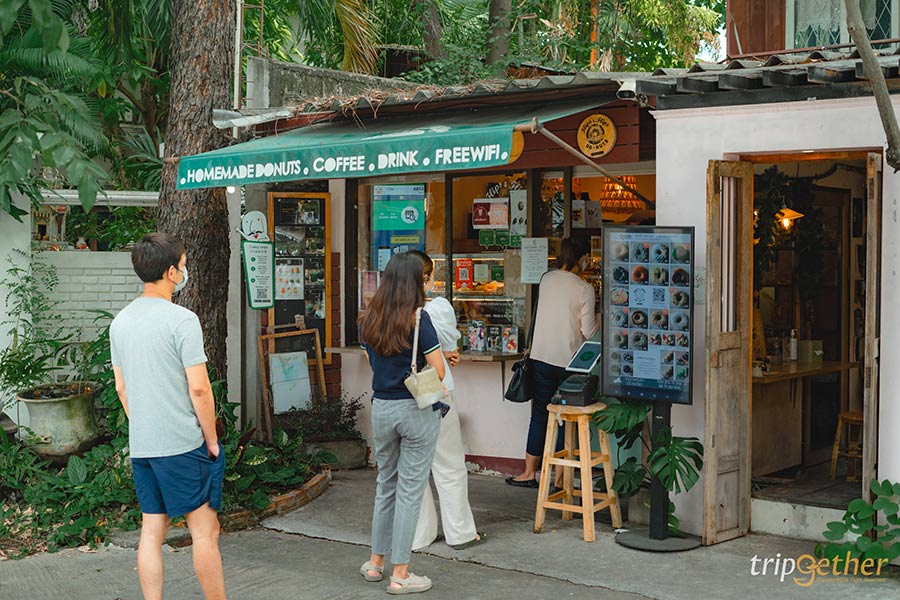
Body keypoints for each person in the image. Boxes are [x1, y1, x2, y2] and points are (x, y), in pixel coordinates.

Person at [110, 233, 226, 600]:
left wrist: (144, 427)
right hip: (181, 444)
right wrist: (211, 439)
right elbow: (200, 389)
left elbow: (122, 389)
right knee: (205, 531)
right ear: (171, 272)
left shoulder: (120, 322)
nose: (186, 271)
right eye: (184, 264)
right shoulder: (182, 320)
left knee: (151, 532)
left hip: (143, 445)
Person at [358, 252, 446, 595]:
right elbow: (438, 369)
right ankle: (401, 575)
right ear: (415, 282)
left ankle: (375, 564)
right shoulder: (419, 318)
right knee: (410, 492)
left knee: (386, 486)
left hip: (382, 407)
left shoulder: (369, 318)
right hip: (415, 409)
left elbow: (374, 361)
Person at [407, 250, 485, 552]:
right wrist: (445, 354)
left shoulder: (383, 312)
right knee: (449, 465)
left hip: (401, 397)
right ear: (426, 278)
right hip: (434, 392)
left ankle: (419, 535)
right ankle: (459, 533)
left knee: (412, 471)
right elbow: (445, 352)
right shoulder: (435, 309)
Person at [506, 236, 598, 489]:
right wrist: (599, 316)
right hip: (569, 363)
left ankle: (528, 473)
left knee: (540, 415)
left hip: (541, 358)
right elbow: (588, 331)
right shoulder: (584, 288)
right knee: (565, 419)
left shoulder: (547, 279)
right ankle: (560, 479)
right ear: (583, 257)